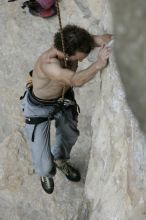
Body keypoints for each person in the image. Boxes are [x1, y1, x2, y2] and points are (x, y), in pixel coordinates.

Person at [20, 25, 112, 194]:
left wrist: (112, 42)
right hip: (39, 108)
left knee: (70, 133)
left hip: (63, 99)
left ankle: (60, 159)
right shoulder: (49, 64)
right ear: (67, 54)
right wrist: (98, 64)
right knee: (45, 163)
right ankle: (45, 172)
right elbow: (75, 80)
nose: (82, 60)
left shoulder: (75, 43)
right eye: (80, 58)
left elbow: (103, 39)